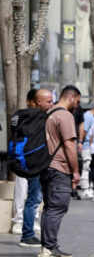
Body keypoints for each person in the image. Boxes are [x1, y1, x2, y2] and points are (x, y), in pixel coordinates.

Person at [38, 86, 81, 257]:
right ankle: (49, 248)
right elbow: (69, 145)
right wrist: (76, 171)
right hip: (59, 168)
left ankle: (47, 246)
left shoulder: (49, 113)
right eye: (78, 101)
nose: (78, 105)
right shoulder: (65, 115)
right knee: (57, 207)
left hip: (47, 167)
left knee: (50, 208)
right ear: (71, 97)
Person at [17, 89, 53, 248]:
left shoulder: (18, 116)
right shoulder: (39, 117)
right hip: (36, 163)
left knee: (32, 197)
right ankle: (27, 235)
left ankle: (27, 232)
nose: (51, 105)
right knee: (34, 199)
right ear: (37, 101)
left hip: (24, 160)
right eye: (49, 101)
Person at [78, 103, 94, 200]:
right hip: (86, 145)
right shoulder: (88, 116)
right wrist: (81, 142)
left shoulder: (89, 116)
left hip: (89, 145)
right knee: (86, 166)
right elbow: (84, 131)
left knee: (89, 167)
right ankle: (84, 189)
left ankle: (89, 187)